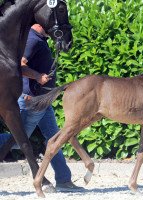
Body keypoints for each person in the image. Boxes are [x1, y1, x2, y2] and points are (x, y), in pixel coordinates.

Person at [0, 24, 82, 192]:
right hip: (32, 101)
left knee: (55, 138)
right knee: (17, 140)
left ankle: (63, 180)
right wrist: (37, 76)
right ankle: (63, 179)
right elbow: (19, 65)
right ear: (39, 23)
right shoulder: (32, 39)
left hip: (43, 100)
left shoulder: (39, 39)